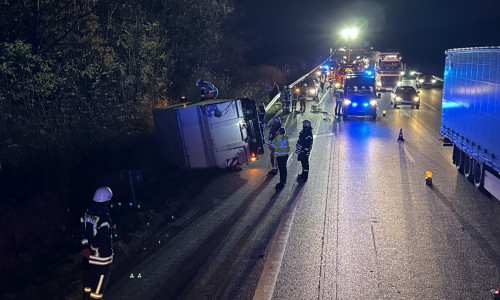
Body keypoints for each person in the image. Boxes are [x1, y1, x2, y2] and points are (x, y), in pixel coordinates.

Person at [80, 186, 114, 300]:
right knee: (97, 293)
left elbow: (83, 232)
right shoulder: (104, 218)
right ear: (107, 200)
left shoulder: (88, 212)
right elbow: (101, 238)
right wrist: (93, 248)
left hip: (90, 259)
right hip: (102, 260)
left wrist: (86, 248)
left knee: (88, 286)